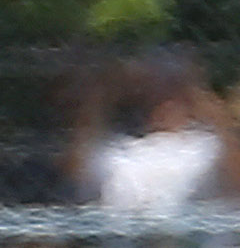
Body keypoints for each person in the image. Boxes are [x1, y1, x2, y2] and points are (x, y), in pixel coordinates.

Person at [91, 56, 228, 216]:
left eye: (173, 88)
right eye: (152, 88)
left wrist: (205, 103)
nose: (164, 100)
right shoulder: (114, 150)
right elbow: (75, 170)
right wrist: (103, 94)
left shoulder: (208, 146)